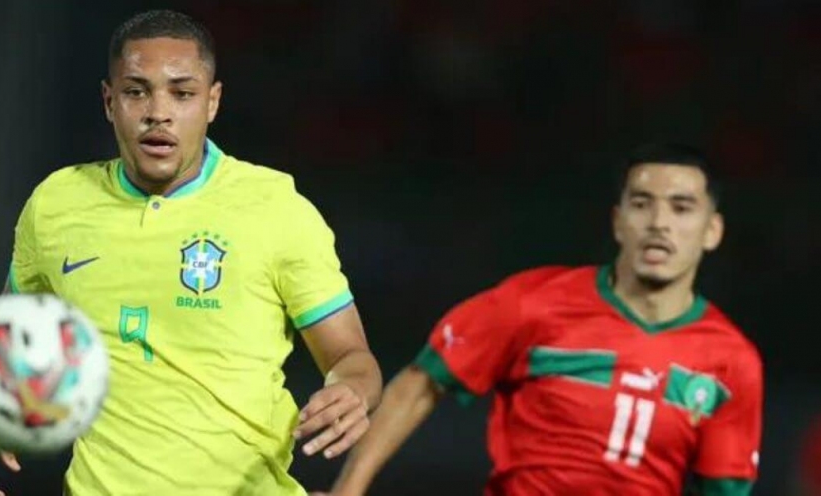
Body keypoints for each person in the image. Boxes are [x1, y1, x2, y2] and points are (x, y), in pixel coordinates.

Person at [0, 9, 382, 496]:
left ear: (212, 102)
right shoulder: (56, 204)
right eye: (136, 92)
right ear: (109, 101)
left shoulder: (277, 209)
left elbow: (351, 356)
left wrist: (351, 390)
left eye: (182, 93)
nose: (159, 111)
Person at [318, 143, 763, 496]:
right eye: (642, 203)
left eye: (681, 208)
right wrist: (347, 491)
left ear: (712, 230)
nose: (659, 222)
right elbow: (418, 385)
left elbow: (723, 488)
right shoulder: (533, 303)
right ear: (618, 221)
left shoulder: (731, 362)